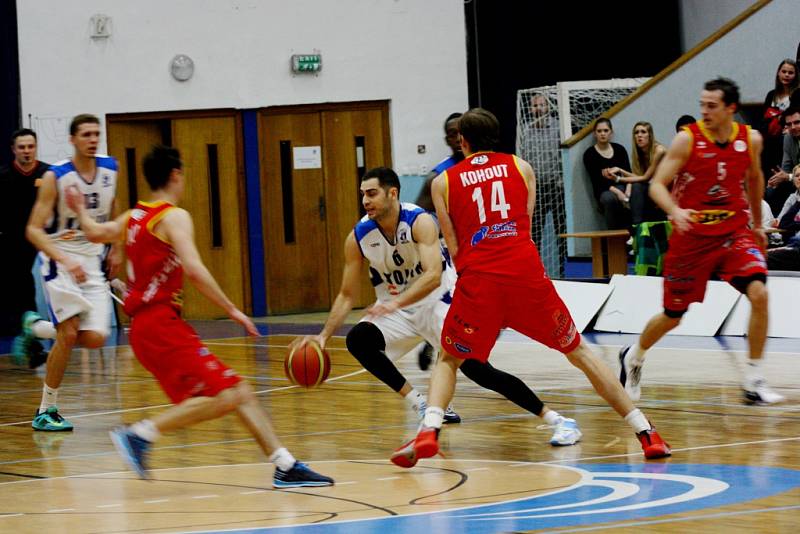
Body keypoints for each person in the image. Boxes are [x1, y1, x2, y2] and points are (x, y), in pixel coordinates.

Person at [390, 108, 670, 468]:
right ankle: (646, 433)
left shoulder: (443, 182)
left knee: (449, 358)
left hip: (479, 281)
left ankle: (429, 430)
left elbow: (454, 244)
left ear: (462, 140)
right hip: (525, 276)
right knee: (581, 354)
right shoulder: (522, 167)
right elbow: (524, 223)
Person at [65, 145, 333, 487]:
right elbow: (193, 269)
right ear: (176, 174)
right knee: (230, 392)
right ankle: (141, 434)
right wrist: (232, 309)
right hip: (160, 324)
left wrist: (78, 210)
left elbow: (94, 233)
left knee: (239, 390)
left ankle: (285, 464)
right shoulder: (173, 216)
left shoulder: (134, 216)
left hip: (146, 329)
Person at [294, 167, 582, 446]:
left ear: (392, 193)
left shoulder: (419, 221)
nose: (365, 201)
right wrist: (324, 335)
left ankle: (557, 419)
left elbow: (432, 277)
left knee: (477, 370)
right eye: (363, 195)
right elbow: (346, 294)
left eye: (372, 193)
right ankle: (422, 405)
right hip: (398, 311)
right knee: (359, 340)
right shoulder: (358, 237)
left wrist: (394, 303)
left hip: (439, 303)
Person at [619, 78, 784, 406]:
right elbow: (657, 186)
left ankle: (753, 378)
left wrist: (757, 225)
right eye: (702, 105)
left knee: (760, 293)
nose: (704, 111)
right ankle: (633, 357)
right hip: (692, 239)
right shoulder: (687, 140)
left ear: (730, 109)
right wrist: (674, 210)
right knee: (673, 315)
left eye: (711, 106)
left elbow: (754, 180)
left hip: (733, 232)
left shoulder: (748, 140)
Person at [16, 115, 122, 431]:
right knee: (70, 332)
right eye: (86, 134)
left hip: (91, 258)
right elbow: (33, 230)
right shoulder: (56, 176)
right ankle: (46, 409)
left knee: (95, 338)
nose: (93, 139)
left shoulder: (110, 169)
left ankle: (34, 328)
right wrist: (65, 258)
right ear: (73, 139)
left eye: (96, 134)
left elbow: (113, 204)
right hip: (59, 257)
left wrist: (116, 247)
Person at [414, 112, 465, 370]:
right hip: (450, 247)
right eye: (452, 133)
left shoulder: (486, 165)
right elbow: (418, 215)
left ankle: (441, 343)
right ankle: (436, 344)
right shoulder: (438, 175)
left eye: (461, 132)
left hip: (481, 244)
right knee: (457, 300)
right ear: (447, 138)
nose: (457, 138)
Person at [0, 129, 50, 366]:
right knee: (22, 292)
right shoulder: (4, 176)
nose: (27, 152)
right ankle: (33, 345)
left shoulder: (48, 174)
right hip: (14, 243)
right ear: (13, 149)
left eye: (30, 147)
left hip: (46, 238)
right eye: (22, 147)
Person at [521, 93, 567, 277]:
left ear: (548, 107)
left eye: (542, 105)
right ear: (530, 109)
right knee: (535, 233)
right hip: (535, 189)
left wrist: (561, 182)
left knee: (561, 232)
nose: (539, 108)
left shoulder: (558, 128)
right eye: (535, 106)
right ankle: (536, 272)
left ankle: (565, 272)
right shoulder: (525, 130)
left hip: (556, 187)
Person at [607, 122, 667, 225]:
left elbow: (645, 178)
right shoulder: (639, 154)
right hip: (654, 189)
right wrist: (620, 170)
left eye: (643, 132)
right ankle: (636, 227)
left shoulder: (659, 150)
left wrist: (618, 179)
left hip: (668, 191)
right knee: (635, 188)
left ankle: (636, 227)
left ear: (650, 135)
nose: (639, 135)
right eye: (636, 132)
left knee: (637, 187)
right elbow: (638, 177)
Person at [582, 118, 632, 230]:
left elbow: (628, 173)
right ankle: (613, 238)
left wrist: (628, 191)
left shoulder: (620, 149)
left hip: (623, 186)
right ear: (594, 134)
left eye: (606, 130)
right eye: (599, 131)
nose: (603, 134)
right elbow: (597, 182)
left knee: (637, 192)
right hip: (604, 191)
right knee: (609, 198)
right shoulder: (589, 154)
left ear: (611, 132)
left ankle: (634, 234)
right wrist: (619, 193)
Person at [415, 113, 464, 212]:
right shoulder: (436, 176)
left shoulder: (488, 166)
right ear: (447, 140)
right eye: (453, 134)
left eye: (463, 133)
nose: (459, 139)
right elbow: (418, 216)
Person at [760, 60, 798, 183]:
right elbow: (764, 118)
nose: (786, 75)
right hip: (769, 137)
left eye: (790, 73)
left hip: (785, 137)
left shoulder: (797, 94)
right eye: (784, 72)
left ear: (796, 75)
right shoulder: (771, 95)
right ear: (778, 73)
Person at [765, 106, 800, 217]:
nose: (793, 127)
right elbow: (786, 168)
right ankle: (775, 225)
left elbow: (788, 175)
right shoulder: (788, 138)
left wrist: (788, 177)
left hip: (796, 178)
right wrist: (777, 178)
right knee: (771, 190)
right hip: (796, 179)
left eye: (797, 122)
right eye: (789, 124)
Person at [767, 163, 800, 270]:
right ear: (794, 181)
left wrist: (792, 224)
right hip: (792, 244)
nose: (799, 178)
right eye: (797, 175)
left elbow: (783, 223)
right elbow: (782, 223)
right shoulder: (793, 198)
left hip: (796, 246)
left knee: (760, 258)